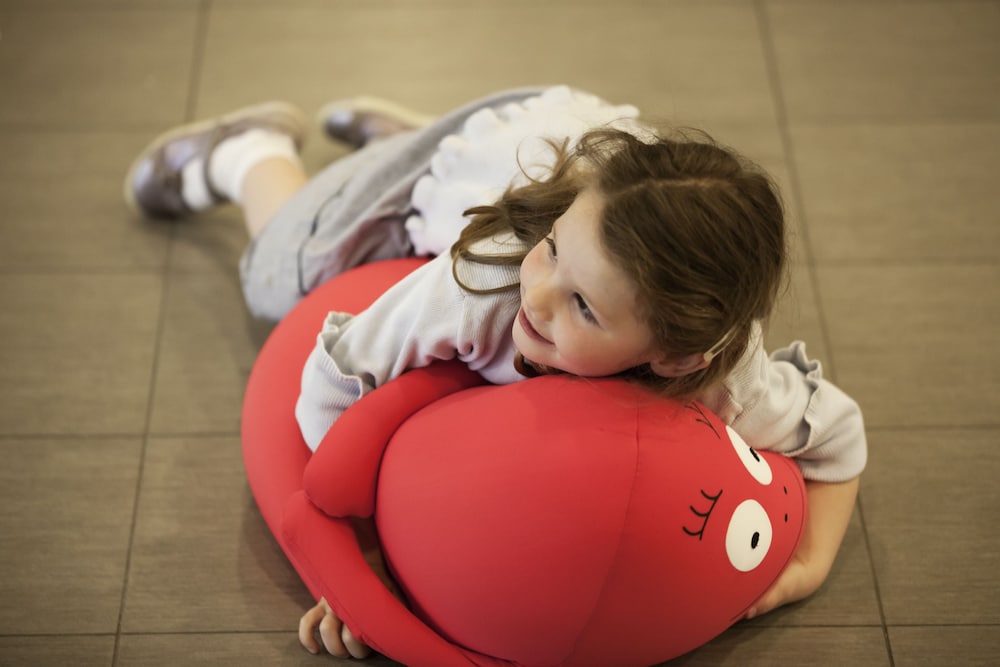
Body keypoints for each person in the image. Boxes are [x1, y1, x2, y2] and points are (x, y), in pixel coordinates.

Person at [125, 86, 867, 660]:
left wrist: (808, 564)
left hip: (566, 171)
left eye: (582, 304)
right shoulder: (489, 281)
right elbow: (334, 377)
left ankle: (409, 139)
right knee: (289, 273)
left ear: (672, 356)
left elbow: (838, 433)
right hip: (504, 145)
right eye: (552, 250)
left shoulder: (724, 382)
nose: (536, 299)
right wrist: (372, 557)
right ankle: (249, 148)